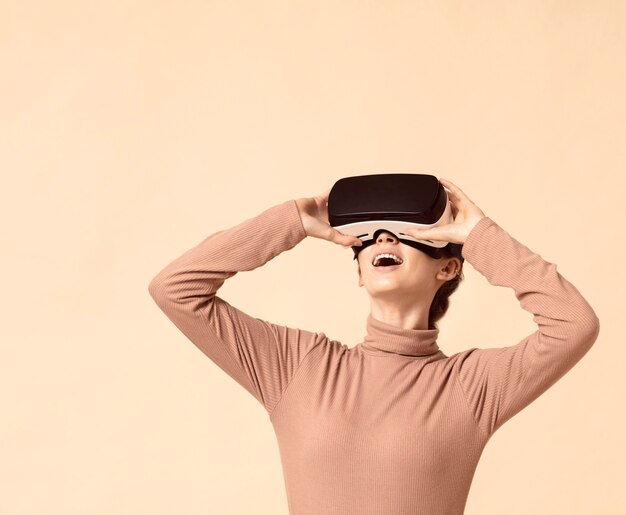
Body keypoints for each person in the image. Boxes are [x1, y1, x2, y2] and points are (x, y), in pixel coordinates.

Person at [148, 178, 600, 515]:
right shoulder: (298, 366)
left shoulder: (470, 387)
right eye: (369, 237)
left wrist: (481, 234)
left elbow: (573, 324)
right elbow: (176, 289)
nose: (384, 238)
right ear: (361, 271)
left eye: (405, 233)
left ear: (448, 268)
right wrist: (291, 222)